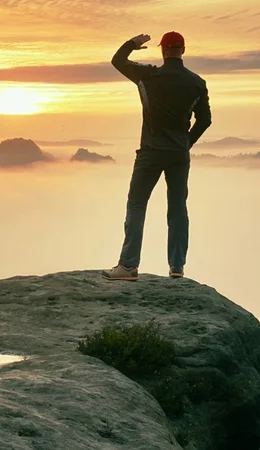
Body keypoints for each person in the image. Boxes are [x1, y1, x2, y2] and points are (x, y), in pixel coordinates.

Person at [102, 32, 212, 281]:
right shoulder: (196, 82)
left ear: (162, 50)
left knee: (137, 204)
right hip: (178, 154)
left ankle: (128, 267)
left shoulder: (149, 75)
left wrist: (132, 44)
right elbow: (205, 120)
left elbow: (117, 61)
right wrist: (186, 142)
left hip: (150, 151)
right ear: (183, 50)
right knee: (177, 207)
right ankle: (176, 267)